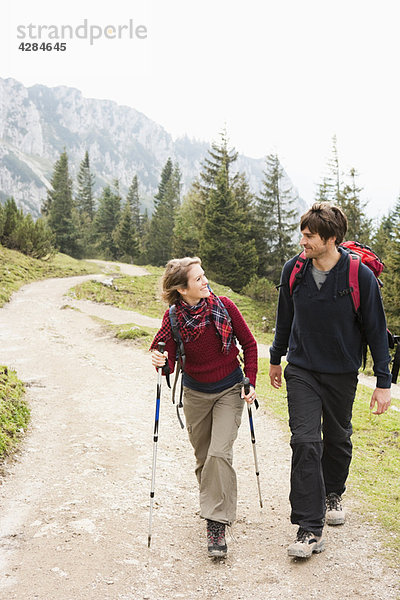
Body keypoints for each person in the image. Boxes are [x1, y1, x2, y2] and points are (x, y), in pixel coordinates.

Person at [269, 202, 391, 559]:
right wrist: (276, 359)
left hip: (341, 372)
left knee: (337, 439)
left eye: (309, 236)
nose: (302, 240)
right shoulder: (294, 270)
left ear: (331, 239)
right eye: (302, 234)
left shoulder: (358, 277)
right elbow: (284, 318)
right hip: (302, 370)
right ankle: (309, 528)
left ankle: (333, 491)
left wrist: (383, 381)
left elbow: (376, 330)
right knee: (305, 441)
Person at [150, 256, 258, 558]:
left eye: (203, 275)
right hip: (196, 394)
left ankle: (216, 523)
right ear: (183, 289)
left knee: (218, 454)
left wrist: (249, 379)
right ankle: (215, 503)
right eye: (198, 279)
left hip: (229, 390)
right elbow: (167, 359)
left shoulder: (224, 306)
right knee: (204, 459)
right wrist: (161, 361)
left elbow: (249, 345)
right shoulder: (172, 319)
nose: (205, 281)